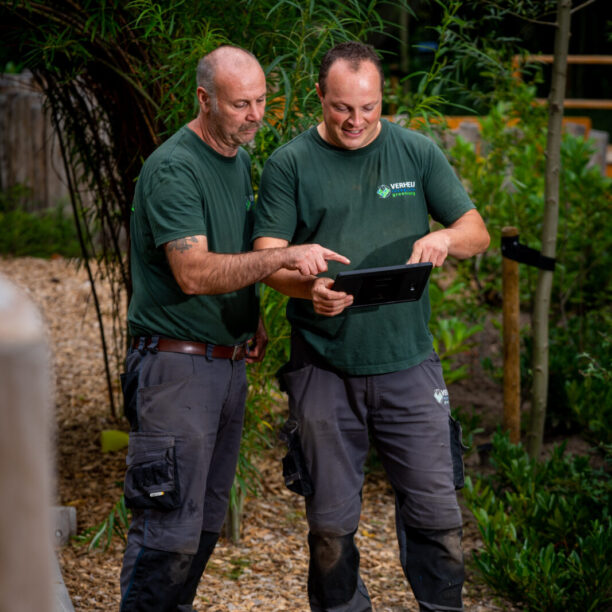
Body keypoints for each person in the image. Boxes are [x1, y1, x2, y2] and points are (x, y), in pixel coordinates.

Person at [253, 41, 490, 612]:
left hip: (408, 363)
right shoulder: (290, 163)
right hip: (324, 366)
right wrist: (306, 287)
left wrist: (445, 238)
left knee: (439, 519)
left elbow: (476, 230)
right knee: (331, 529)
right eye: (341, 108)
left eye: (369, 107)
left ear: (383, 99)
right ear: (319, 97)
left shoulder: (416, 152)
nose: (356, 121)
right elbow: (267, 256)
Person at [119, 45, 349, 612]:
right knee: (167, 530)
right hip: (175, 368)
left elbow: (234, 255)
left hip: (224, 363)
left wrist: (252, 314)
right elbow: (193, 272)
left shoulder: (238, 159)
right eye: (240, 103)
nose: (255, 114)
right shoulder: (176, 167)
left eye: (262, 101)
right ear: (204, 99)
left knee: (200, 527)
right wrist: (283, 257)